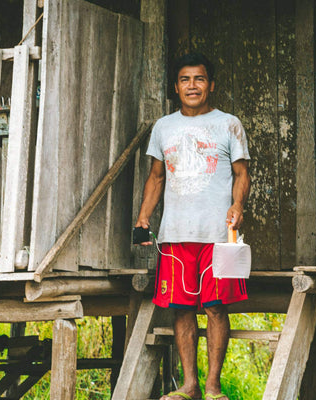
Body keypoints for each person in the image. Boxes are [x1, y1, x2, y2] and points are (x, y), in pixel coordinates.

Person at [135, 52, 250, 400]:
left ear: (210, 85)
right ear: (176, 87)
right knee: (181, 308)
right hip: (175, 235)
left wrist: (238, 204)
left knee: (215, 307)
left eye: (199, 79)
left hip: (217, 235)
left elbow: (242, 173)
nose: (192, 85)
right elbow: (156, 177)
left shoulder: (229, 124)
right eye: (185, 80)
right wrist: (143, 217)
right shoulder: (164, 127)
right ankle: (190, 386)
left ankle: (213, 386)